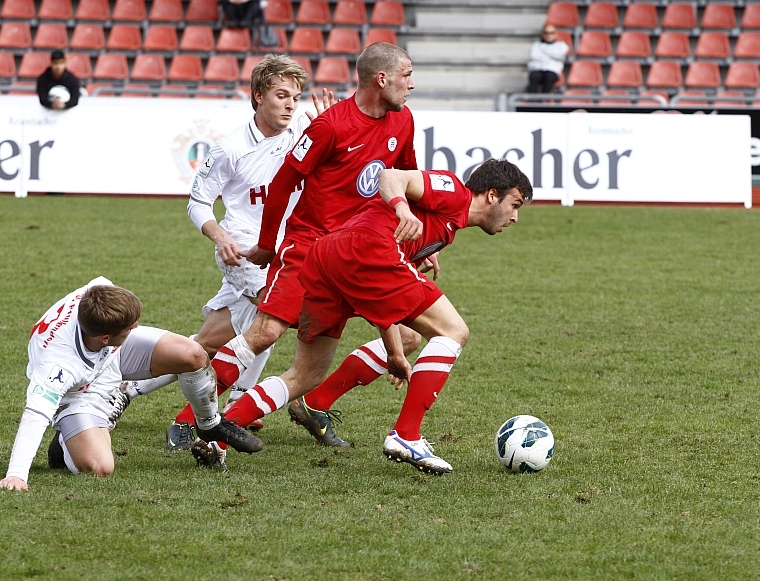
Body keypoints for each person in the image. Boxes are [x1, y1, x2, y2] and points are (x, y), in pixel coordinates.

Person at [168, 42, 427, 453]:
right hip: (308, 247)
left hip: (357, 253)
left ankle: (312, 403)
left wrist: (421, 242)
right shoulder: (330, 126)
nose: (413, 84)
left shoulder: (404, 121)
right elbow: (283, 183)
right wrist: (269, 246)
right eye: (408, 75)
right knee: (265, 331)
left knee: (407, 335)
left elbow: (408, 181)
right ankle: (191, 421)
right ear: (383, 79)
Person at [224, 160, 532, 475]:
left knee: (305, 374)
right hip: (367, 249)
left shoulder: (447, 226)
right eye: (515, 204)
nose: (515, 216)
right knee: (453, 330)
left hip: (331, 256)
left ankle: (219, 431)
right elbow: (390, 176)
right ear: (492, 195)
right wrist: (403, 209)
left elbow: (380, 298)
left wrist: (396, 352)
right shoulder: (454, 191)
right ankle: (406, 434)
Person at [113, 55, 334, 456]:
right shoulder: (230, 148)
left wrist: (332, 128)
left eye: (296, 97)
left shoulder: (304, 131)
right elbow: (198, 201)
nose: (290, 105)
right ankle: (233, 407)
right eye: (281, 95)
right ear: (257, 97)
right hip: (245, 252)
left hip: (290, 251)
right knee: (272, 324)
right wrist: (219, 236)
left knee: (209, 344)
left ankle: (125, 386)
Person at [0, 278, 262, 491]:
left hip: (112, 353)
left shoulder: (98, 292)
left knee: (192, 354)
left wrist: (125, 335)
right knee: (100, 468)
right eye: (130, 327)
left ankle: (209, 423)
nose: (137, 327)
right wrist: (16, 474)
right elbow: (34, 416)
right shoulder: (57, 367)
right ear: (105, 336)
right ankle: (65, 442)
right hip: (81, 393)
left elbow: (113, 310)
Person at [527, 24, 569, 94]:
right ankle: (532, 101)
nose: (549, 35)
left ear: (555, 34)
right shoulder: (536, 45)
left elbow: (559, 55)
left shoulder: (561, 45)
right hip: (537, 69)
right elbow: (534, 56)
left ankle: (544, 99)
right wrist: (551, 55)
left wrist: (544, 51)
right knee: (534, 76)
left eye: (551, 33)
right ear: (542, 34)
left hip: (552, 70)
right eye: (546, 33)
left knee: (549, 77)